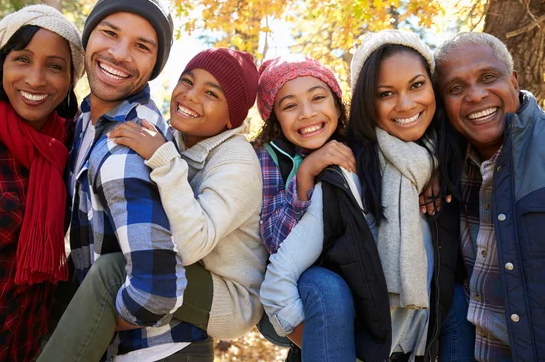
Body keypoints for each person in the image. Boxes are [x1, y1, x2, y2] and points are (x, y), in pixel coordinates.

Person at [40, 48, 268, 361]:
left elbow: (190, 246)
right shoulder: (175, 138)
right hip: (191, 275)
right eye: (187, 81)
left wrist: (164, 158)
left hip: (229, 297)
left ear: (232, 117)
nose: (190, 96)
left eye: (211, 93)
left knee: (112, 272)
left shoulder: (237, 159)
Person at [260, 30, 474, 362]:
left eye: (417, 85)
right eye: (386, 93)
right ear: (366, 103)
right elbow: (278, 279)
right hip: (357, 345)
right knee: (324, 285)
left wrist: (432, 170)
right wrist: (331, 345)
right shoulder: (347, 175)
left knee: (458, 299)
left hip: (420, 348)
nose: (405, 103)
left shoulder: (453, 162)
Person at [37, 0, 214, 362]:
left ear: (154, 64)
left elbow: (156, 292)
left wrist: (88, 325)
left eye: (142, 46)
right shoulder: (84, 122)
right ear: (87, 39)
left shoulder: (126, 146)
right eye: (110, 33)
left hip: (156, 352)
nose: (119, 54)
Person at [0, 4, 84, 361]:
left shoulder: (72, 147)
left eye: (55, 66)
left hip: (25, 348)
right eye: (22, 59)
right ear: (1, 64)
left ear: (71, 79)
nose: (36, 80)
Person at [434, 32, 545, 362]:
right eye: (456, 88)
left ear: (513, 80)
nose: (476, 95)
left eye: (488, 77)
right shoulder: (449, 168)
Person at [253, 55, 357, 361]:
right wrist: (305, 173)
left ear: (337, 104)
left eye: (317, 98)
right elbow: (274, 240)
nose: (307, 113)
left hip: (359, 285)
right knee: (325, 286)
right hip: (297, 292)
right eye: (289, 105)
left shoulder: (358, 147)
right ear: (275, 118)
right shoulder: (268, 157)